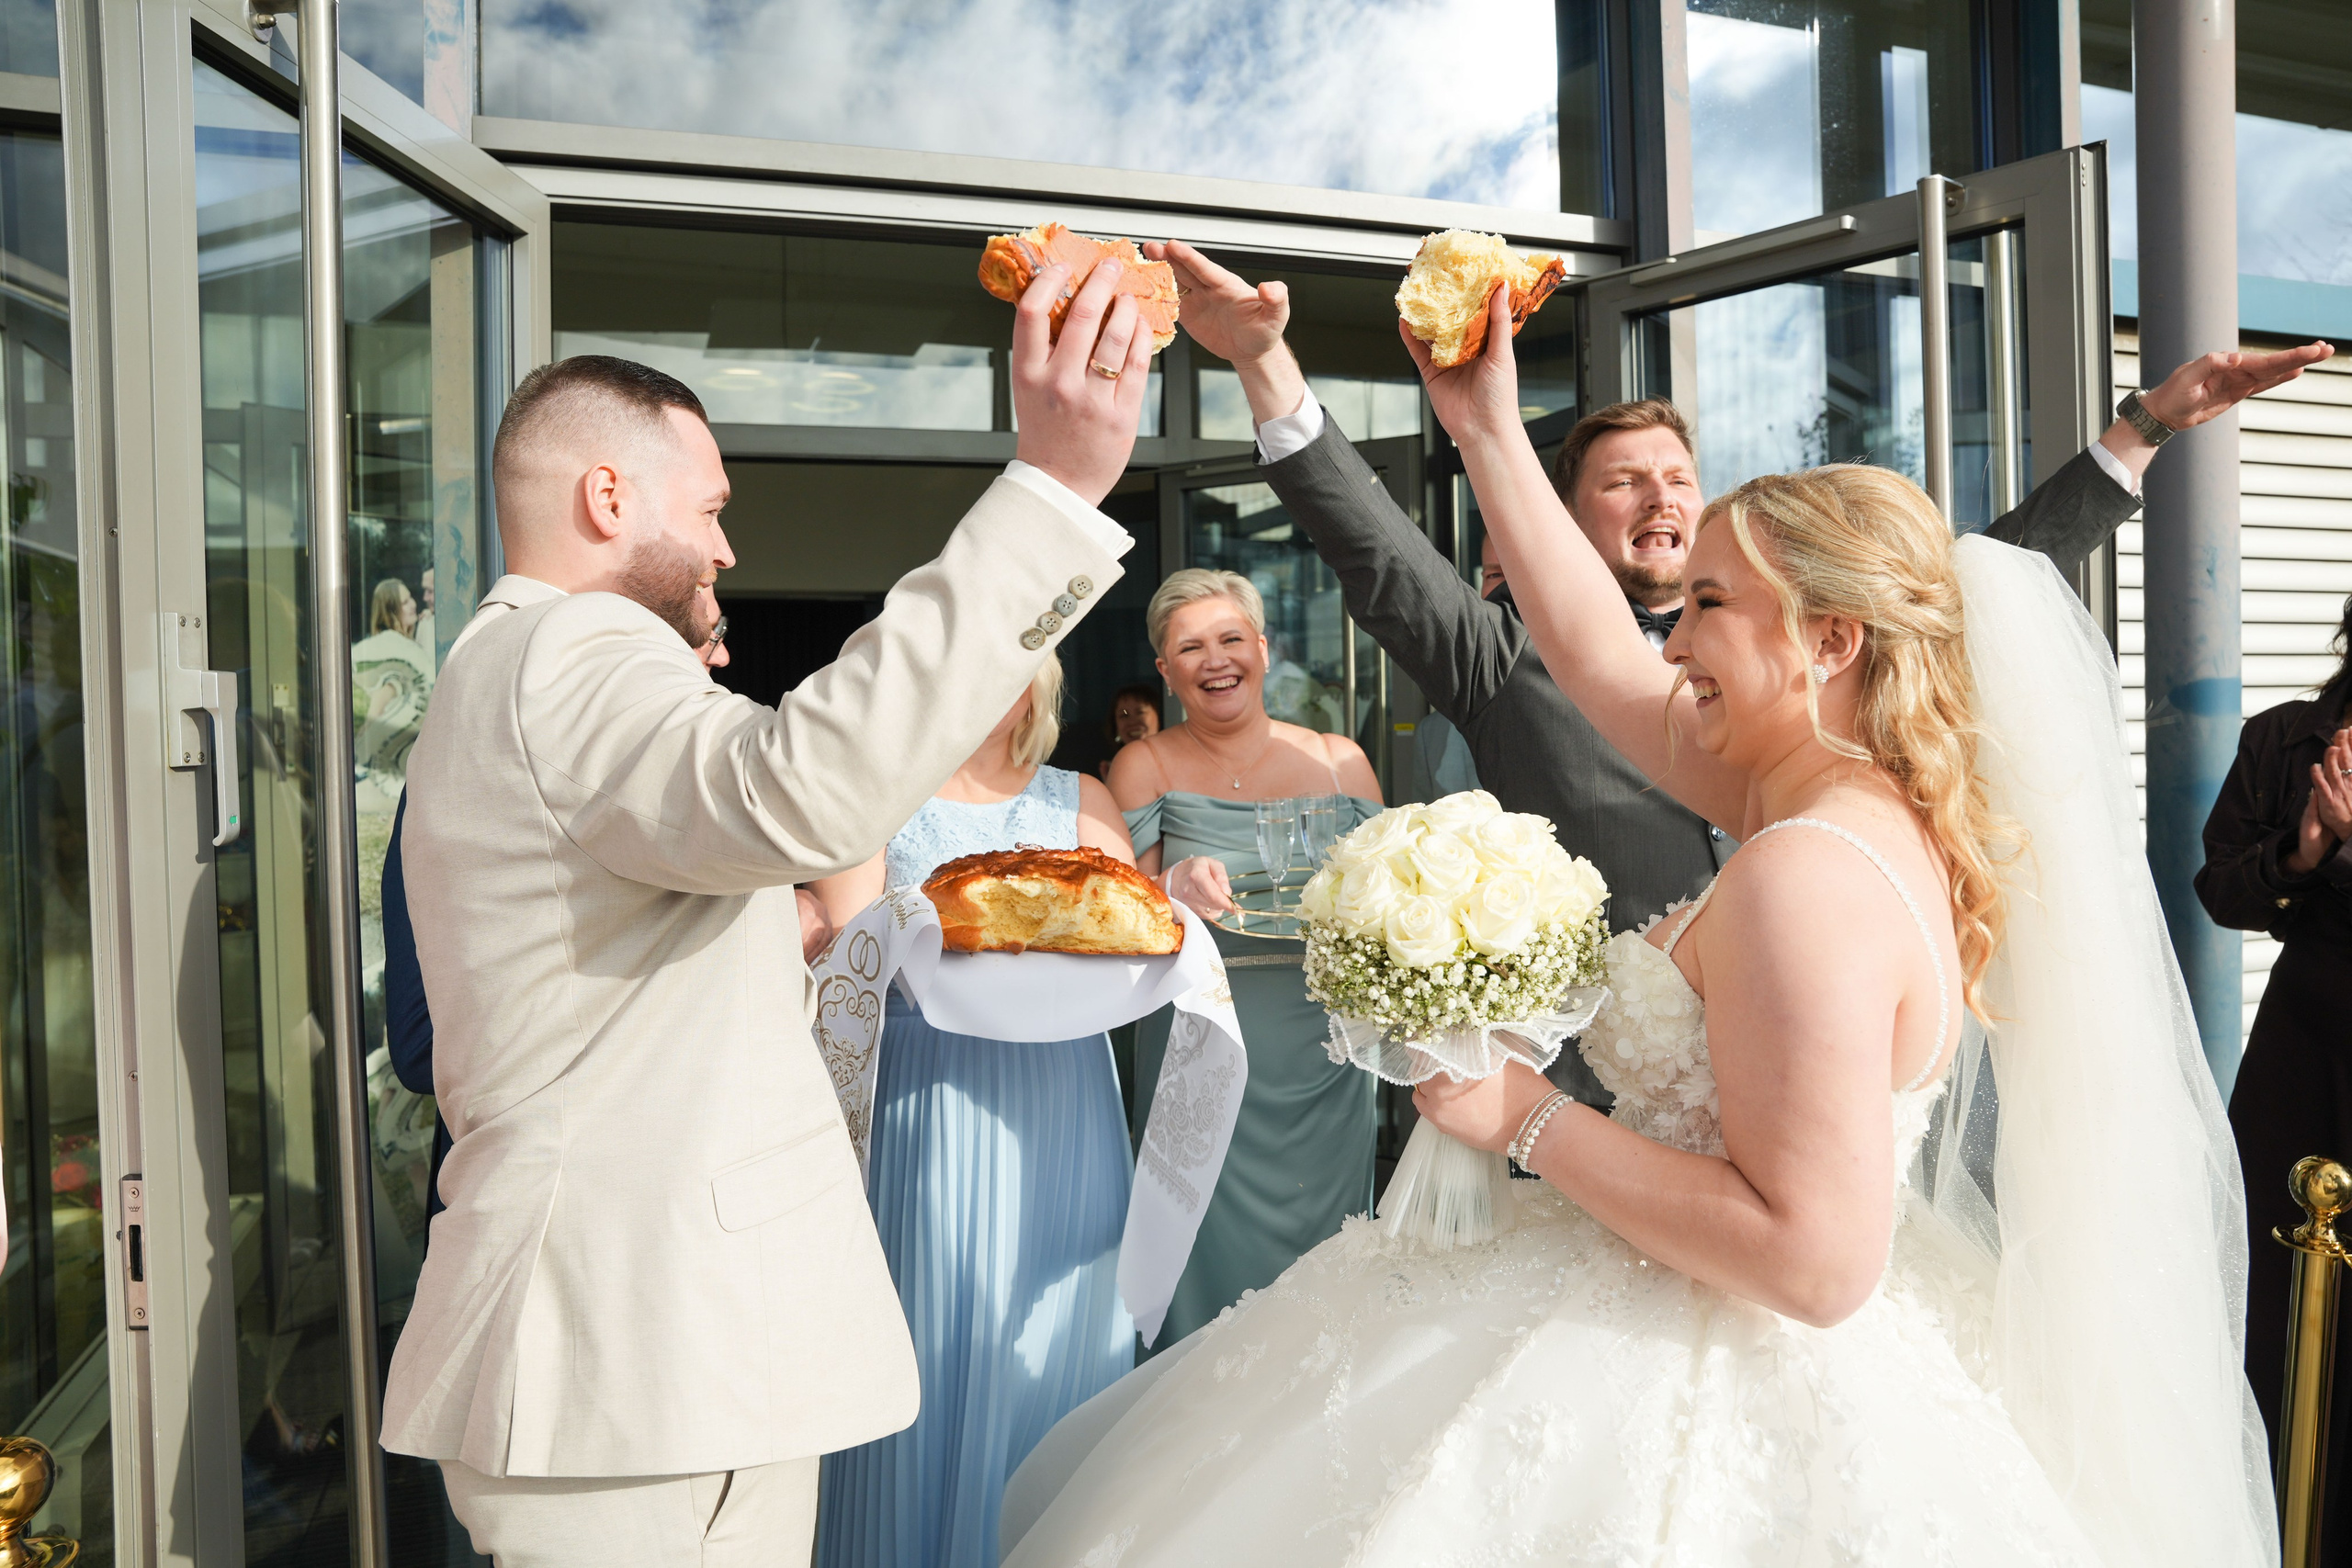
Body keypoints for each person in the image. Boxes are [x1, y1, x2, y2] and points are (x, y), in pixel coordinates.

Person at [1001, 290, 2273, 1567]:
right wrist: (1486, 425)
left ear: (1830, 638)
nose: (1680, 640)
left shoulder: (1805, 870)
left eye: (1715, 604)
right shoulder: (1849, 794)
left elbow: (1817, 1258)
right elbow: (1599, 653)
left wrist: (1521, 1117)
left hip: (1718, 1369)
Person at [382, 242, 1154, 1568]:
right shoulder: (573, 644)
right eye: (715, 501)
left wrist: (785, 948)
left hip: (645, 1366)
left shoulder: (502, 666)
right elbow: (803, 790)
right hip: (638, 1364)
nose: (732, 542)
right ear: (609, 493)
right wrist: (1053, 489)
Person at [1150, 236, 2329, 938]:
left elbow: (1971, 576)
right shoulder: (1508, 655)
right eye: (1623, 484)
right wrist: (1266, 367)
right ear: (1562, 518)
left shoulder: (1846, 694)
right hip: (1598, 1106)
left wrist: (2136, 433)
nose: (1663, 499)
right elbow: (1372, 547)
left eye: (1679, 476)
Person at [805, 652, 1137, 1568]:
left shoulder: (1082, 797)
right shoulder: (877, 797)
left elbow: (1128, 923)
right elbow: (847, 957)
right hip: (932, 1096)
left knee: (1064, 1324)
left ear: (1040, 688)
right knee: (941, 1324)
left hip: (1066, 1098)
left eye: (1009, 666)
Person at [379, 584, 810, 1239]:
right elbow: (417, 1045)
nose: (721, 659)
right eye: (709, 634)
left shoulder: (682, 812)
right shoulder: (454, 789)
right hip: (536, 1225)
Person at [1105, 569, 1382, 1347]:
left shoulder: (1339, 762)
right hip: (1200, 1045)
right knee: (1198, 1250)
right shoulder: (1145, 767)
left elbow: (1394, 899)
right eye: (1190, 646)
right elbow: (1110, 917)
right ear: (1166, 669)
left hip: (1324, 1056)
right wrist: (1167, 883)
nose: (1215, 658)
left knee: (1325, 1255)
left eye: (1231, 638)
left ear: (1263, 648)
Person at [2199, 592, 2352, 1534]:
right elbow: (2217, 889)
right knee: (2273, 1279)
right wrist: (2302, 850)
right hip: (2303, 1045)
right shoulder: (2283, 738)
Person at [1098, 682, 1161, 778]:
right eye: (1124, 715)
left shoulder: (1176, 761)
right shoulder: (1113, 771)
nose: (1132, 722)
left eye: (1140, 712)